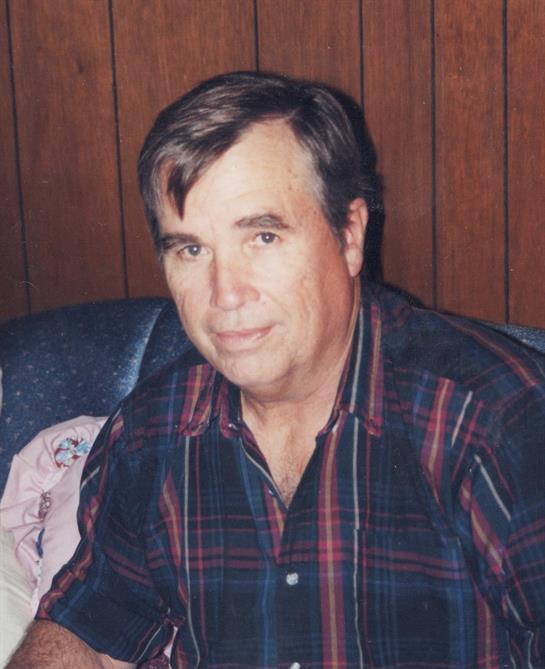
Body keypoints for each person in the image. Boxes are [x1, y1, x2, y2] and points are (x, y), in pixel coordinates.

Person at [7, 71, 545, 669]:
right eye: (191, 249)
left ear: (349, 235)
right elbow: (89, 629)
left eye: (263, 237)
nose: (225, 293)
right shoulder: (150, 432)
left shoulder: (493, 420)